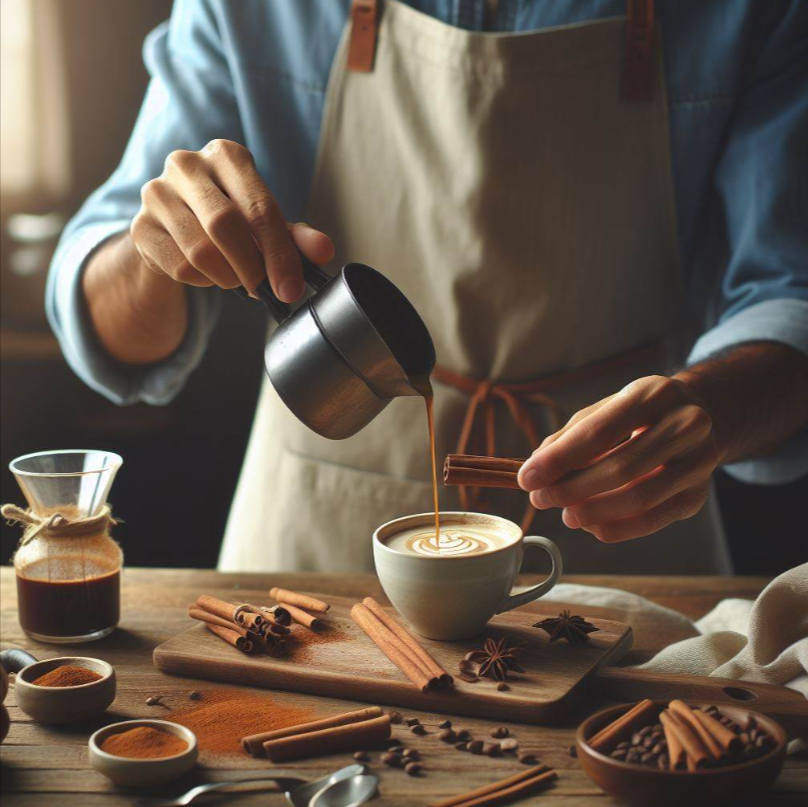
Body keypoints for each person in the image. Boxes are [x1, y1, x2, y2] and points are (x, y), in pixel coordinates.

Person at [47, 0, 808, 574]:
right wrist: (155, 257)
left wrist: (712, 408)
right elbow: (108, 329)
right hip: (312, 554)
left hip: (629, 527)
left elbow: (790, 292)